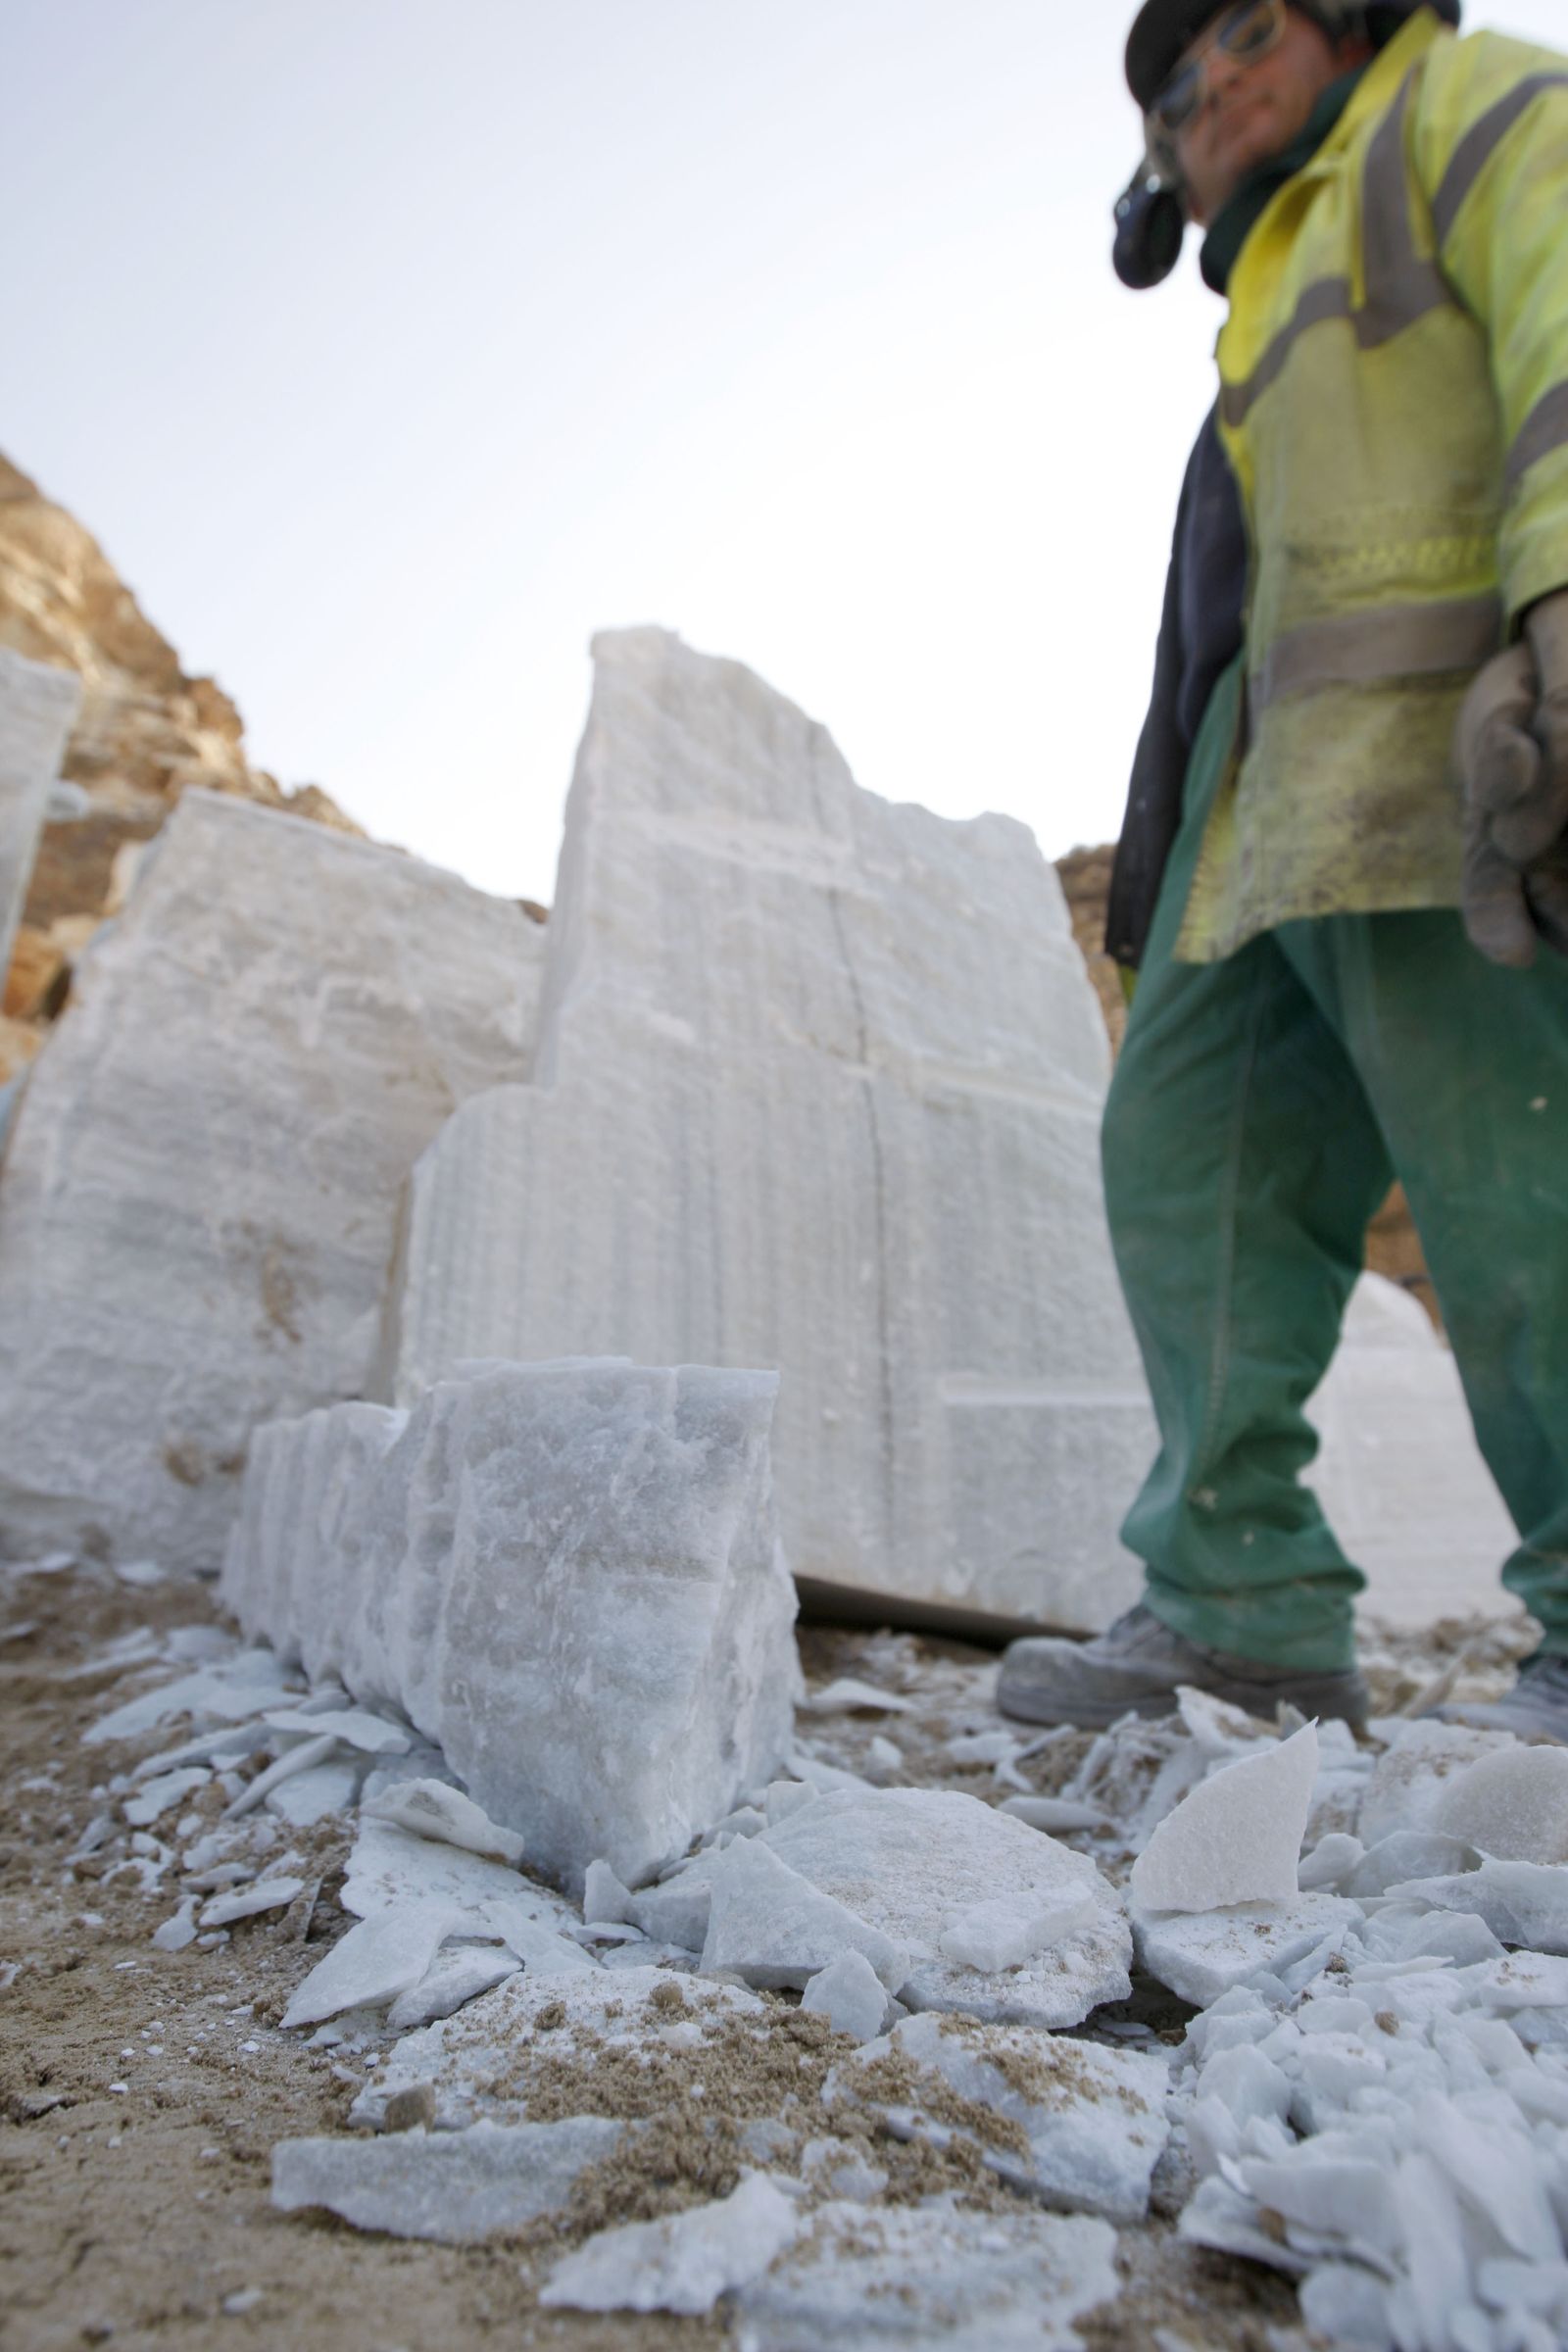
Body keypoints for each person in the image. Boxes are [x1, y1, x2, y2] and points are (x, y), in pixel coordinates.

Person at [999, 0, 1568, 1737]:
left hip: (1439, 782)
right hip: (1268, 820)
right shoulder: (1273, 280)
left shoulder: (1466, 105)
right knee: (1185, 1163)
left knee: (1517, 1206)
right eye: (1172, 91)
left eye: (1244, 34)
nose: (1213, 87)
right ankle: (1239, 1606)